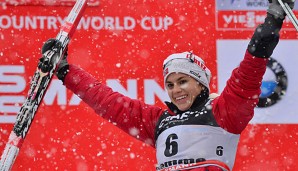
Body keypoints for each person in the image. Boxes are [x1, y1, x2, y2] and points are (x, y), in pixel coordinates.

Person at [38, 0, 295, 170]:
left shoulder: (223, 113)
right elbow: (108, 103)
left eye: (183, 81)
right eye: (170, 84)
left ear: (201, 84)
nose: (176, 90)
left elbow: (248, 76)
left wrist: (271, 22)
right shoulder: (158, 121)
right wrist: (66, 71)